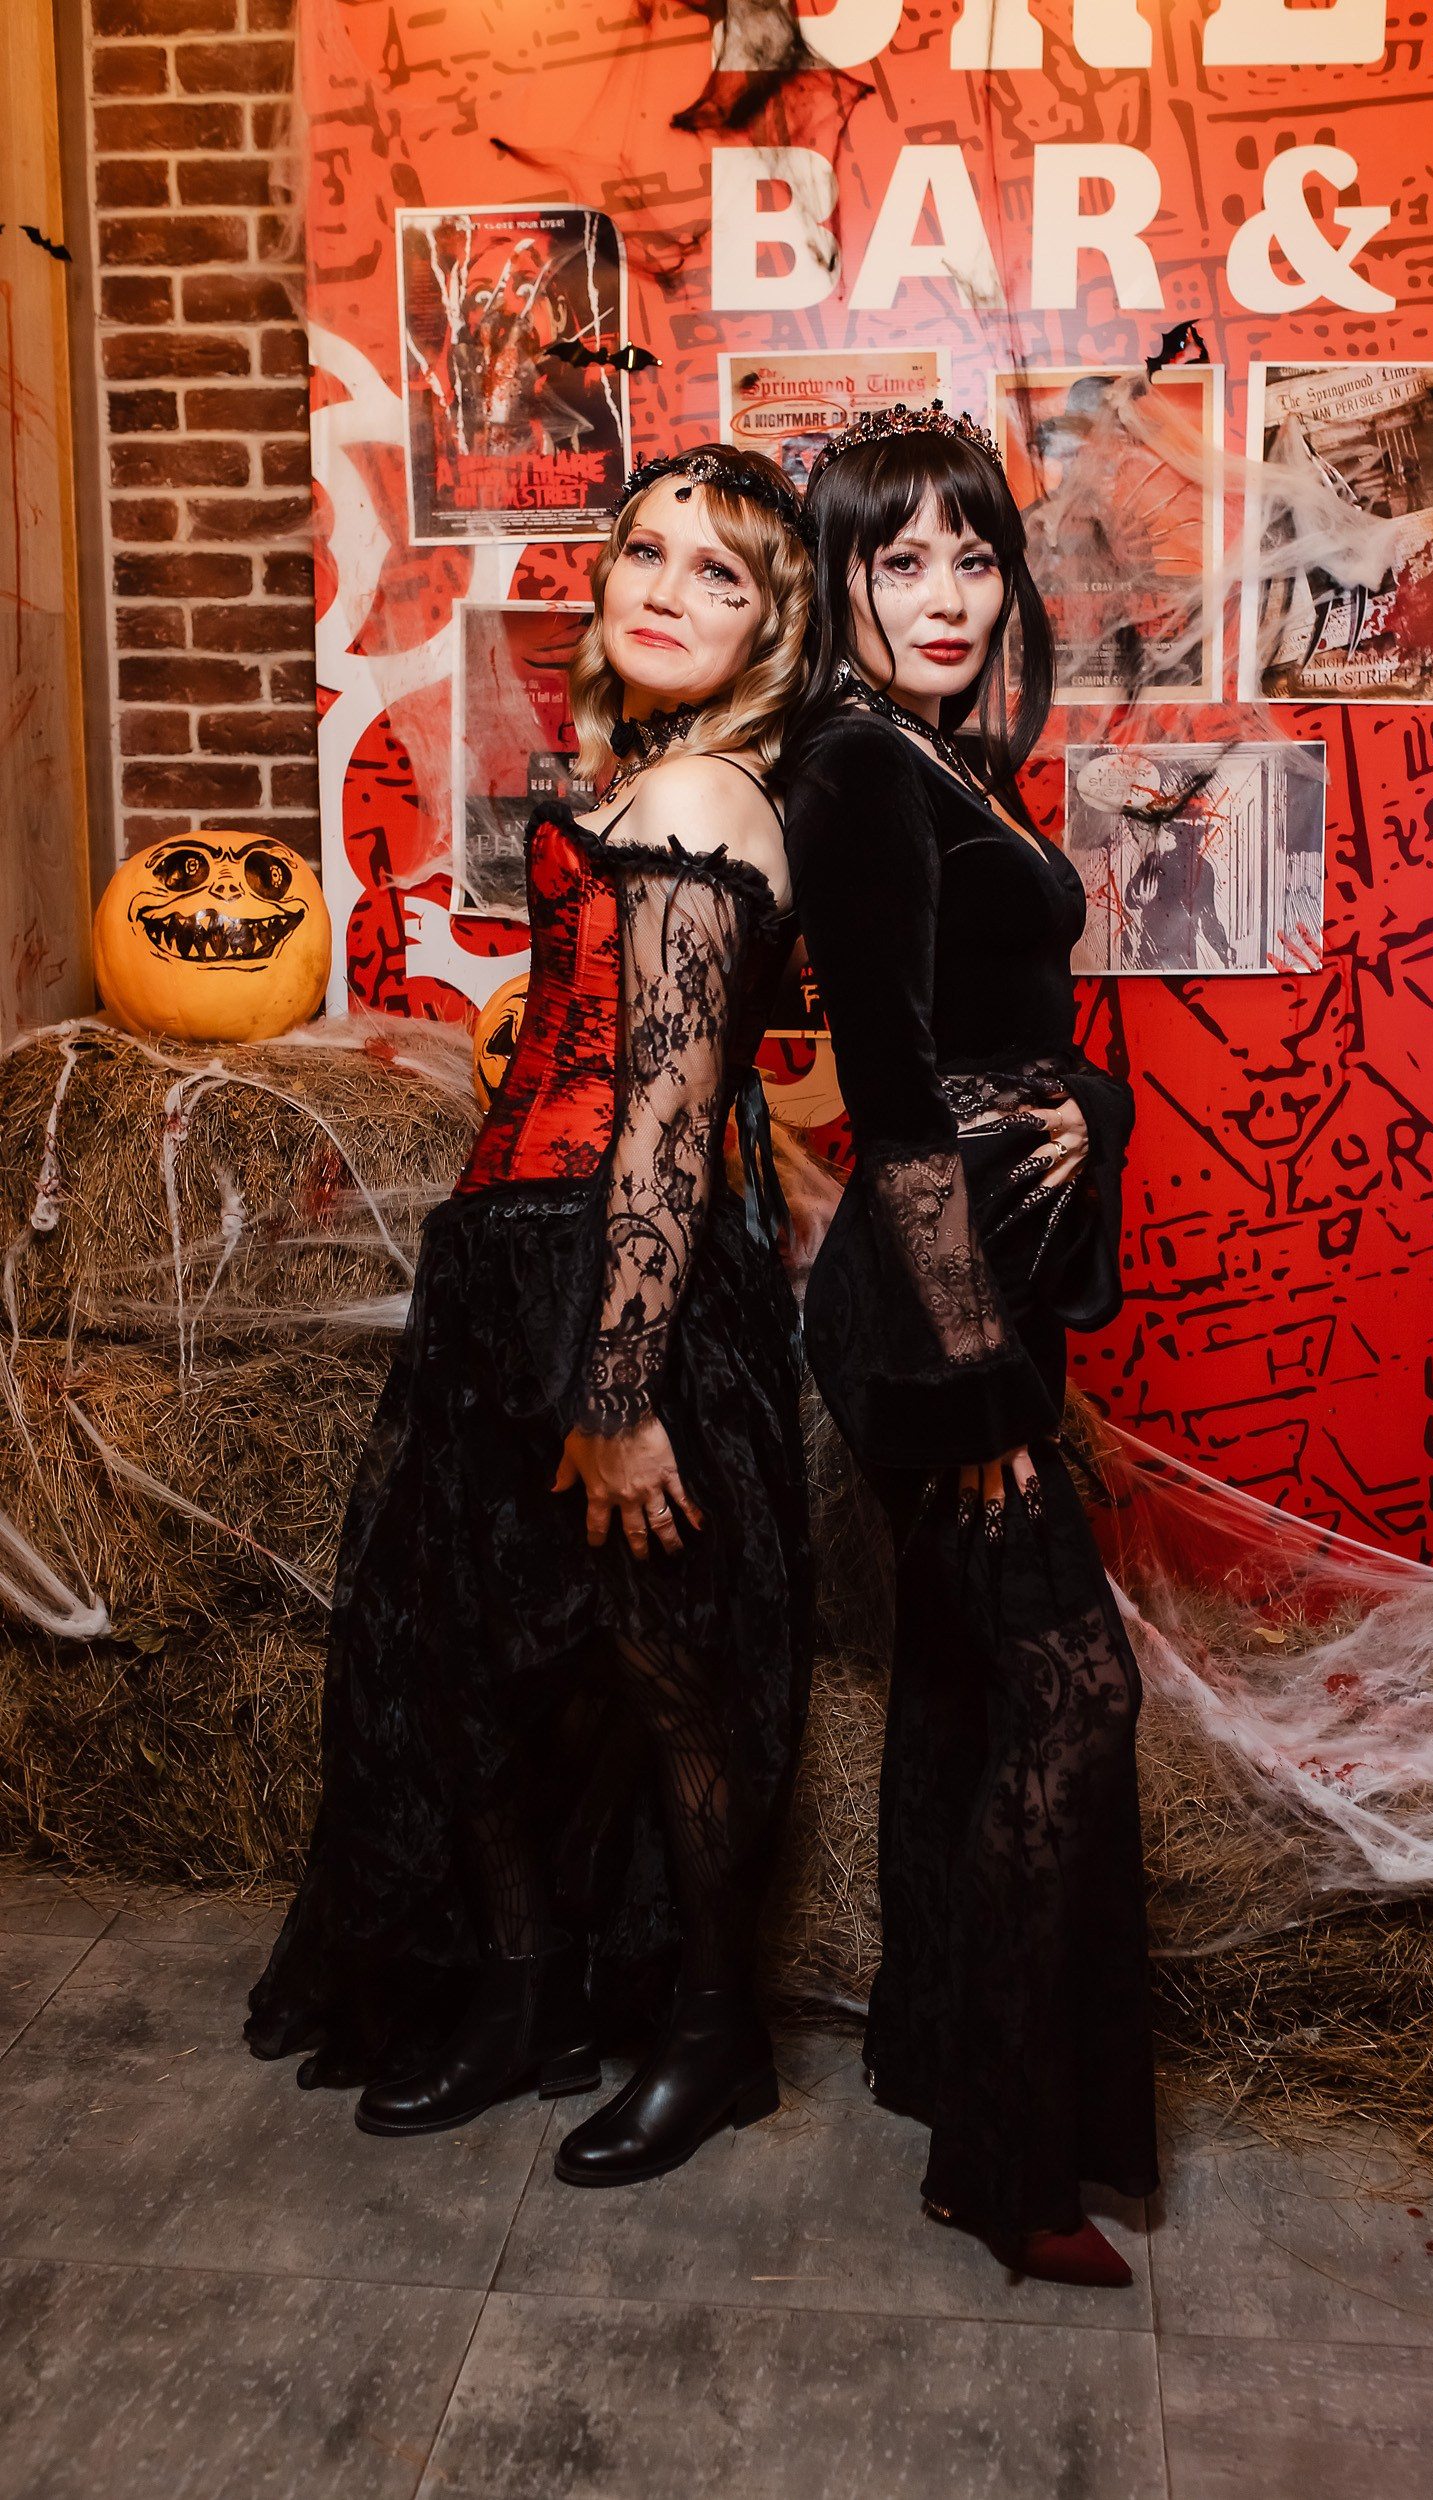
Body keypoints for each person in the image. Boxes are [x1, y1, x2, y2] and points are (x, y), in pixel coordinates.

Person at [247, 445, 814, 2189]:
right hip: (513, 1269)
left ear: (772, 626)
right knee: (474, 1653)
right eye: (646, 551)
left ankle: (713, 2036)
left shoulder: (706, 797)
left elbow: (665, 1117)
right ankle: (523, 1999)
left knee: (668, 1670)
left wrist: (620, 1389)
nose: (666, 588)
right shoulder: (647, 781)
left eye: (721, 572)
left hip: (615, 1283)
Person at [783, 404, 1158, 2288]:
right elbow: (895, 1102)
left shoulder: (946, 758)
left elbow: (1005, 1028)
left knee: (960, 1690)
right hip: (941, 1309)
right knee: (1078, 1689)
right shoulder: (857, 769)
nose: (946, 593)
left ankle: (941, 2061)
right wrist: (979, 1381)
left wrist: (1089, 1099)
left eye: (975, 554)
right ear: (839, 584)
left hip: (989, 1282)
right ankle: (1003, 2170)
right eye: (897, 559)